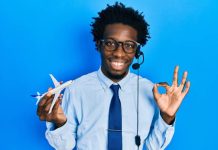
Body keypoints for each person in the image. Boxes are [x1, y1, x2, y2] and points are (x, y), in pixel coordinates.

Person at [37, 2, 190, 150]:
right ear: (98, 45)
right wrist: (59, 123)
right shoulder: (76, 89)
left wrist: (167, 117)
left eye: (129, 45)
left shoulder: (151, 91)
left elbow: (153, 147)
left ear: (137, 52)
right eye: (110, 43)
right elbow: (65, 147)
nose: (118, 53)